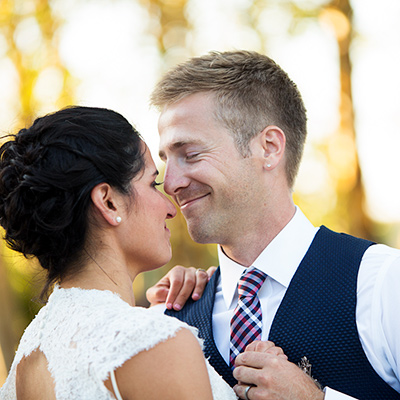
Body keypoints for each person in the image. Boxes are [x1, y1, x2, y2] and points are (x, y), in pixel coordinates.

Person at [147, 50, 400, 400]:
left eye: (190, 154)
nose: (171, 183)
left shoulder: (384, 283)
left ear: (268, 147)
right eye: (165, 161)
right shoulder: (169, 315)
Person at [0, 106, 241, 399]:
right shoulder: (155, 343)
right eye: (152, 184)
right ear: (108, 202)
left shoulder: (30, 355)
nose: (169, 208)